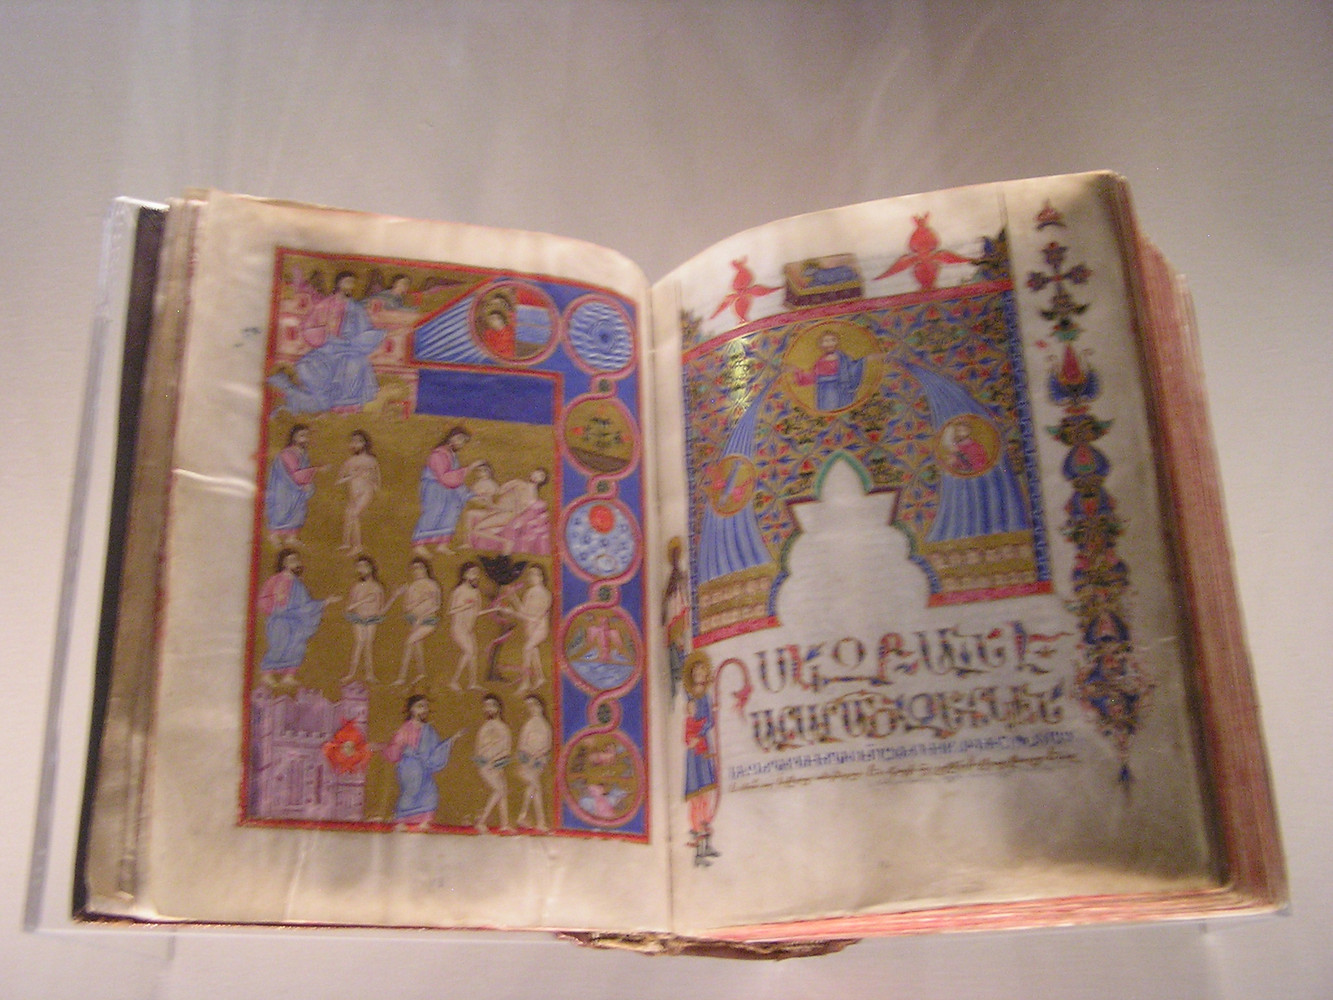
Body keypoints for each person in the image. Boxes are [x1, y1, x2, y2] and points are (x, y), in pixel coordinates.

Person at [268, 270, 389, 413]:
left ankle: (345, 405)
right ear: (339, 283)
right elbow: (309, 326)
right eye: (348, 282)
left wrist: (369, 337)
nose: (351, 286)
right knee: (304, 366)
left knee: (354, 365)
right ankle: (322, 397)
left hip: (350, 350)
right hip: (328, 348)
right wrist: (324, 332)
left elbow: (366, 330)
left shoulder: (357, 309)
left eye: (353, 283)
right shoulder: (325, 305)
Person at [256, 549, 339, 685]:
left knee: (297, 647)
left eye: (296, 560)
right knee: (278, 647)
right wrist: (275, 607)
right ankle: (267, 674)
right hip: (280, 621)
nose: (295, 563)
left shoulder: (298, 584)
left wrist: (325, 602)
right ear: (284, 563)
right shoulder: (274, 580)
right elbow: (263, 599)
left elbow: (306, 605)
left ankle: (289, 676)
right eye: (291, 560)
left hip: (296, 622)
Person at [380, 695, 457, 831]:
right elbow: (396, 747)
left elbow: (435, 750)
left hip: (424, 768)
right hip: (410, 767)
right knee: (410, 793)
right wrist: (400, 750)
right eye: (420, 706)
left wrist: (450, 742)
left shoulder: (429, 730)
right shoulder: (406, 728)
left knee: (430, 793)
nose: (424, 710)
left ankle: (424, 821)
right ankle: (401, 820)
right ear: (412, 709)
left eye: (426, 706)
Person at [412, 427, 477, 556]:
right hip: (434, 489)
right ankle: (419, 544)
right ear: (451, 437)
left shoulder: (452, 455)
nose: (460, 443)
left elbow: (455, 480)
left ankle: (443, 544)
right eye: (459, 439)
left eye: (463, 441)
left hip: (448, 490)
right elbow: (445, 478)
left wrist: (469, 494)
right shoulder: (438, 454)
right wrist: (468, 469)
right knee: (433, 513)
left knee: (452, 510)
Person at [683, 654, 721, 866]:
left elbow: (710, 721)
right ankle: (698, 852)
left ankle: (707, 845)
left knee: (705, 795)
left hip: (703, 746)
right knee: (696, 798)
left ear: (706, 675)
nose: (698, 675)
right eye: (695, 672)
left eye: (701, 672)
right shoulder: (690, 696)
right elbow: (689, 726)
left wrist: (700, 734)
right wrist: (693, 737)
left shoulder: (705, 696)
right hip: (694, 752)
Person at [468, 468, 550, 556]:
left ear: (542, 481)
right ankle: (468, 544)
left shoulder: (532, 494)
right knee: (472, 516)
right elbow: (499, 491)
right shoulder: (518, 483)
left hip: (508, 514)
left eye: (541, 476)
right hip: (500, 510)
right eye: (537, 473)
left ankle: (505, 542)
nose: (537, 476)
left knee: (477, 529)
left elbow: (521, 508)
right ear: (532, 472)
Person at [264, 424, 324, 544]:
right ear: (294, 437)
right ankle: (274, 536)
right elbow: (295, 475)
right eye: (302, 435)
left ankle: (292, 537)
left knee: (298, 512)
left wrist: (306, 484)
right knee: (282, 512)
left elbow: (302, 474)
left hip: (297, 489)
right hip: (284, 489)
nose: (305, 439)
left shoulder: (302, 453)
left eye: (307, 436)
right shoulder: (288, 454)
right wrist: (315, 469)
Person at [788, 329, 868, 411]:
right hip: (824, 392)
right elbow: (813, 376)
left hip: (841, 390)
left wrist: (862, 361)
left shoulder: (843, 357)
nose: (830, 343)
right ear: (821, 344)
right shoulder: (820, 360)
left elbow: (853, 367)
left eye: (833, 340)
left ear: (837, 342)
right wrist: (796, 371)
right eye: (826, 341)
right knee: (827, 410)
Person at [341, 555, 391, 683]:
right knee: (359, 642)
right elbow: (349, 607)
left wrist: (394, 597)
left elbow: (381, 610)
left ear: (371, 567)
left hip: (371, 618)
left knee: (368, 645)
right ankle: (352, 673)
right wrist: (364, 601)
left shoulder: (377, 587)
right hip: (358, 618)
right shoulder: (357, 587)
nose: (361, 569)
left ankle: (370, 674)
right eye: (359, 567)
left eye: (364, 566)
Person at [392, 558, 441, 685]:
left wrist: (421, 613)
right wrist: (417, 604)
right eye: (414, 568)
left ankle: (402, 677)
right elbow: (407, 607)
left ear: (425, 569)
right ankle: (421, 673)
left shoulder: (432, 584)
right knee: (416, 645)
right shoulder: (412, 586)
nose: (417, 571)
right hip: (414, 622)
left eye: (420, 567)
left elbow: (435, 605)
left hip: (428, 622)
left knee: (409, 642)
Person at [506, 565, 552, 694]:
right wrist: (513, 597)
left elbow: (533, 618)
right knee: (533, 651)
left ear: (541, 577)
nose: (531, 577)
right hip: (531, 627)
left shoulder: (542, 593)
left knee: (527, 649)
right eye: (530, 574)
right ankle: (540, 677)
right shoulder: (530, 592)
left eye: (534, 574)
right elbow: (524, 611)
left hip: (539, 628)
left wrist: (511, 612)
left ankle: (525, 682)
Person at [335, 429, 380, 553]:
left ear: (365, 443)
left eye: (358, 441)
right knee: (348, 514)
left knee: (354, 514)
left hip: (366, 492)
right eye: (353, 441)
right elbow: (339, 480)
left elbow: (377, 478)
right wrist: (352, 476)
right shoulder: (349, 462)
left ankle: (357, 546)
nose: (355, 444)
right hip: (353, 494)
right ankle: (346, 543)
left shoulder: (371, 460)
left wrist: (372, 483)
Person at [473, 694, 513, 832]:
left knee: (503, 792)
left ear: (498, 708)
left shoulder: (503, 727)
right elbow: (479, 749)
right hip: (487, 766)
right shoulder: (486, 727)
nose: (488, 709)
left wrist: (499, 762)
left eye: (491, 705)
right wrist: (487, 762)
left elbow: (506, 748)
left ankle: (505, 824)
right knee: (499, 790)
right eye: (486, 706)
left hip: (498, 765)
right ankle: (482, 821)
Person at [514, 695, 552, 831]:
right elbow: (522, 744)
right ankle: (534, 819)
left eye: (534, 705)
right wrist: (530, 756)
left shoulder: (545, 725)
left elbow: (547, 745)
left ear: (540, 706)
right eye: (529, 706)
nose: (532, 708)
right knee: (535, 788)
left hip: (538, 761)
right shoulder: (529, 724)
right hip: (528, 761)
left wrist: (537, 755)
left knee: (534, 789)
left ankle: (526, 816)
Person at [447, 561, 485, 691]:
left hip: (469, 630)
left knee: (473, 655)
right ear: (465, 575)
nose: (476, 576)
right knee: (469, 651)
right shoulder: (458, 591)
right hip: (458, 629)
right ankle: (454, 681)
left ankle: (473, 683)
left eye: (477, 573)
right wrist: (465, 606)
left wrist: (494, 609)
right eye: (473, 573)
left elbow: (478, 612)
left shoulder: (476, 592)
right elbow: (451, 611)